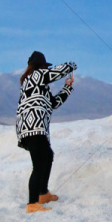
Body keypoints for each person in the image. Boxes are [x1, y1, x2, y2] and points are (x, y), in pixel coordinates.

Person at [16, 50, 77, 213]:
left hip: (33, 129)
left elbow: (53, 103)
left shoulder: (39, 87)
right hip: (33, 128)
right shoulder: (34, 77)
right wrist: (71, 65)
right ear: (40, 66)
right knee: (38, 165)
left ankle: (43, 194)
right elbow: (54, 73)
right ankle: (32, 203)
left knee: (47, 156)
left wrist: (67, 88)